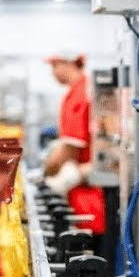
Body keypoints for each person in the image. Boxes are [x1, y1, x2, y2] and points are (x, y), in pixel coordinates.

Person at [43, 52, 107, 235]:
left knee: (86, 252)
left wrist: (47, 171)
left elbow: (70, 147)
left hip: (88, 194)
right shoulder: (85, 88)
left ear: (68, 64)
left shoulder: (78, 94)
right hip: (90, 187)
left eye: (54, 66)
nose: (52, 72)